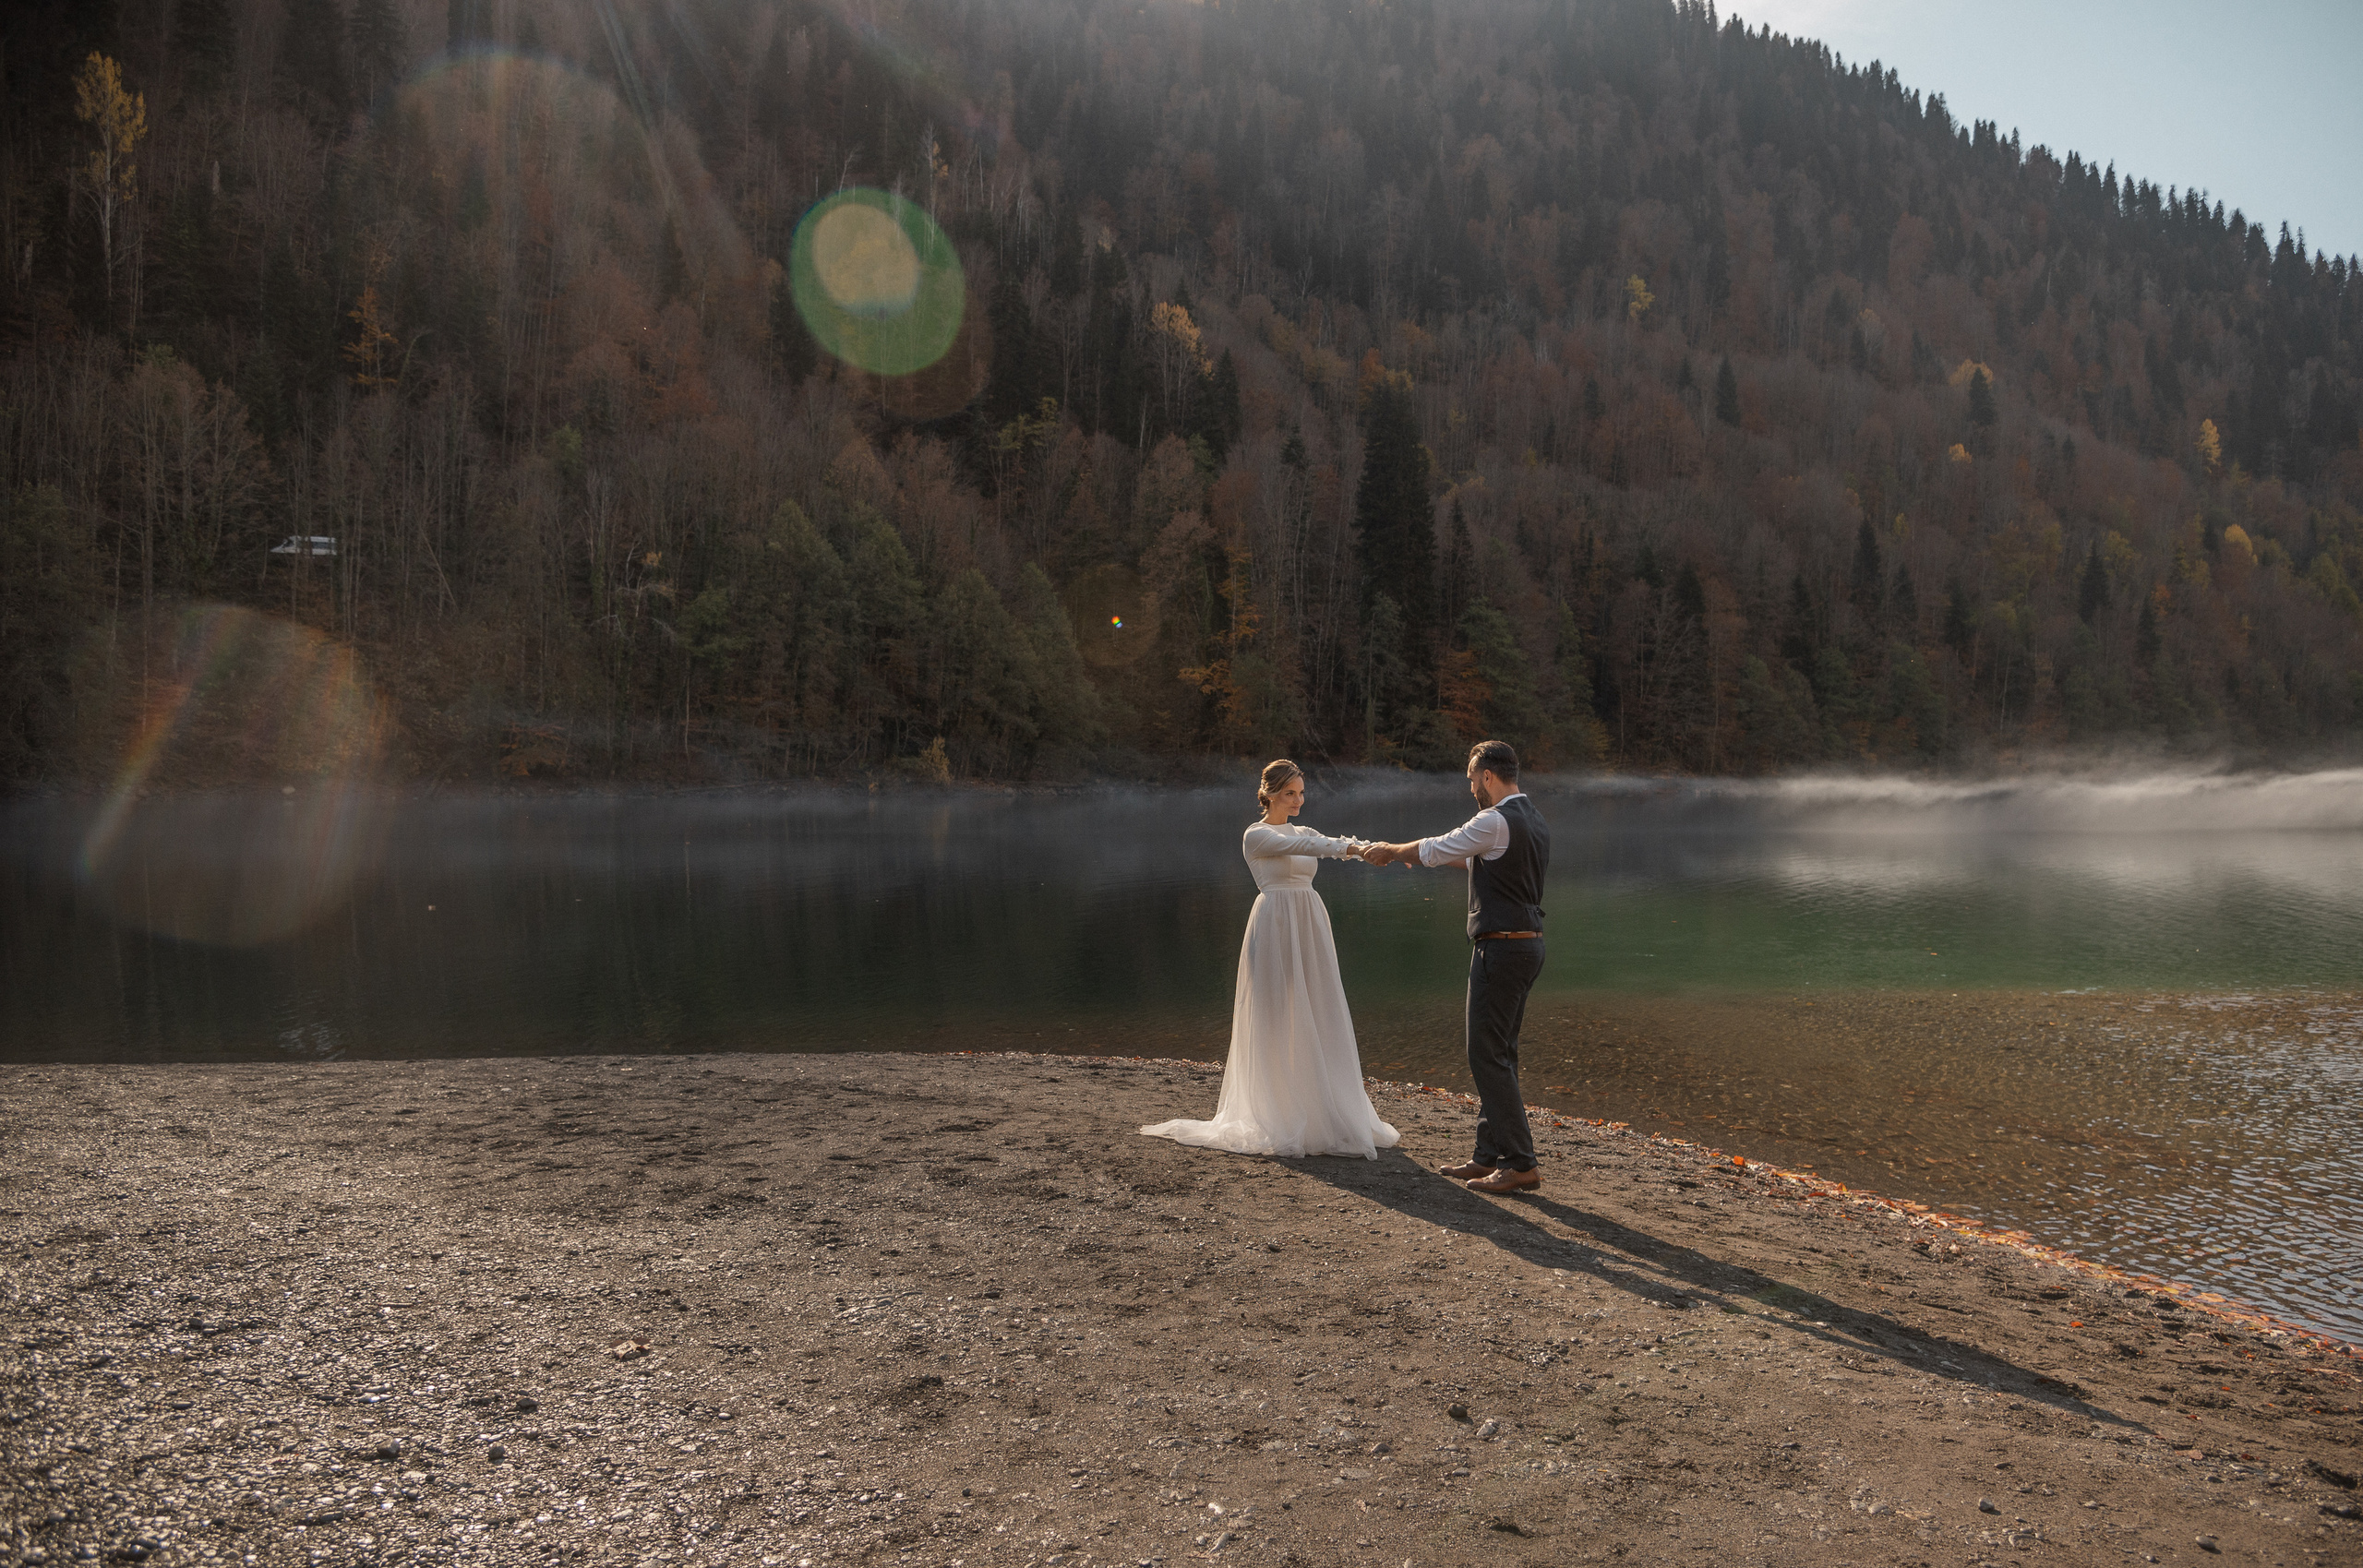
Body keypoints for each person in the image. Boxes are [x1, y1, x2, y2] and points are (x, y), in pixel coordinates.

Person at [1140, 760, 1401, 1160]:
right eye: (1289, 793)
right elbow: (1307, 847)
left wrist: (1363, 850)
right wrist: (1357, 848)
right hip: (1276, 920)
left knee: (1319, 1007)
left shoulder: (1305, 829)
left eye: (1300, 793)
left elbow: (1319, 842)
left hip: (1309, 919)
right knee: (1275, 1014)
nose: (1297, 800)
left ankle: (1322, 1107)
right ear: (1270, 794)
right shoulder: (1256, 835)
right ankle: (1279, 1112)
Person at [1360, 740, 1550, 1193]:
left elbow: (1438, 846)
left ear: (1488, 775)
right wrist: (1423, 857)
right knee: (1501, 1051)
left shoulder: (1494, 818)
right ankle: (1488, 1156)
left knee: (1484, 1052)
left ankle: (1521, 1164)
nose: (1470, 787)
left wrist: (1393, 850)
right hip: (1527, 945)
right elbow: (1472, 860)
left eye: (1471, 778)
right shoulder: (1533, 819)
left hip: (1501, 948)